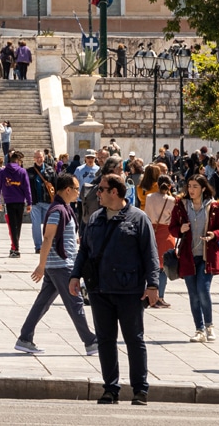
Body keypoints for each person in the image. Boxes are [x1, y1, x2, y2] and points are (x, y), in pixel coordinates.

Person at [69, 173, 161, 406]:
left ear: (114, 192)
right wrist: (75, 275)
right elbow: (85, 251)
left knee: (134, 339)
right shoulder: (95, 218)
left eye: (101, 189)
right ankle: (111, 388)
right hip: (100, 290)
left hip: (129, 290)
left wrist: (152, 285)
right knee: (106, 340)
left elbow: (150, 254)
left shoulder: (138, 219)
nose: (96, 193)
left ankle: (140, 389)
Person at [16, 174, 98, 355]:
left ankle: (24, 338)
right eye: (77, 189)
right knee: (75, 302)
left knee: (42, 304)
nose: (78, 192)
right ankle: (91, 341)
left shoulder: (65, 209)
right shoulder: (57, 210)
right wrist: (41, 265)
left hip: (59, 265)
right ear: (67, 189)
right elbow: (47, 238)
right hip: (61, 265)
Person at [170, 173, 219, 343]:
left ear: (203, 188)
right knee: (193, 294)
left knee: (203, 289)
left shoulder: (214, 206)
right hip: (188, 256)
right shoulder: (180, 205)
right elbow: (172, 228)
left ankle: (209, 326)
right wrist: (181, 229)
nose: (191, 189)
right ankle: (199, 329)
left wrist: (213, 235)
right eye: (189, 186)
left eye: (195, 186)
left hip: (206, 255)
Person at [142, 175, 177, 308]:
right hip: (166, 233)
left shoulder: (150, 197)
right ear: (169, 186)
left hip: (152, 231)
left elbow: (146, 214)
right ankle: (159, 296)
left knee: (152, 265)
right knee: (163, 268)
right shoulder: (172, 200)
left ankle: (149, 293)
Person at [0, 150, 32, 259]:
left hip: (9, 201)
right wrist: (29, 202)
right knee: (18, 224)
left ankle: (15, 248)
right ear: (18, 160)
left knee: (12, 225)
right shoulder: (22, 171)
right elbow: (27, 187)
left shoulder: (2, 172)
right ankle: (16, 247)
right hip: (20, 201)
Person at [27, 151, 55, 254]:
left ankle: (48, 244)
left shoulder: (50, 170)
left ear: (44, 158)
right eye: (36, 157)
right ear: (34, 158)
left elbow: (55, 185)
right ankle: (38, 246)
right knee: (36, 224)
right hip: (35, 202)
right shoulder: (29, 171)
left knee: (49, 224)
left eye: (40, 157)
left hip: (48, 201)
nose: (39, 159)